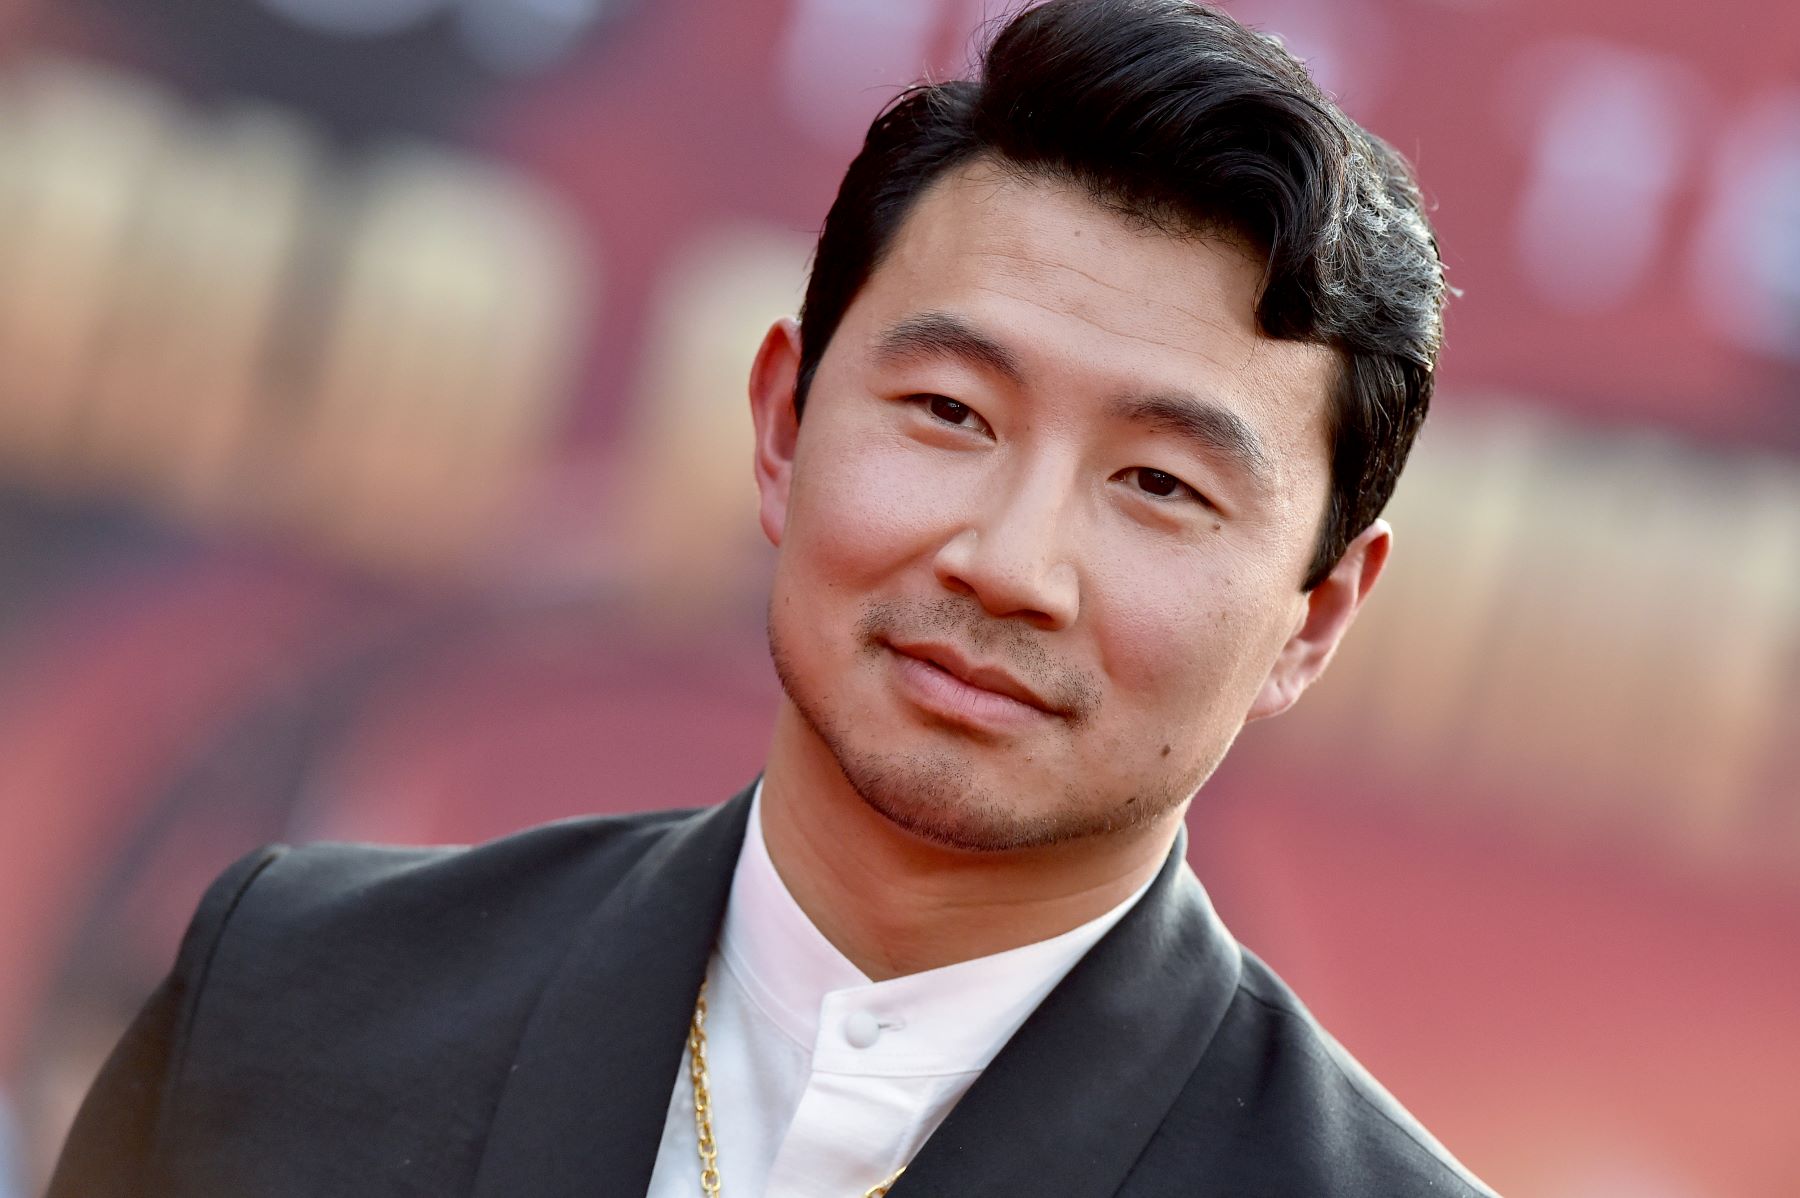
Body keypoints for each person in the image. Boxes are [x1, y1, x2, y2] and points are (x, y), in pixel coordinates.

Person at [52, 1, 1496, 1194]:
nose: (1008, 560)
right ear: (782, 429)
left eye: (1160, 486)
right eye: (950, 410)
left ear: (1315, 616)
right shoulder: (294, 1001)